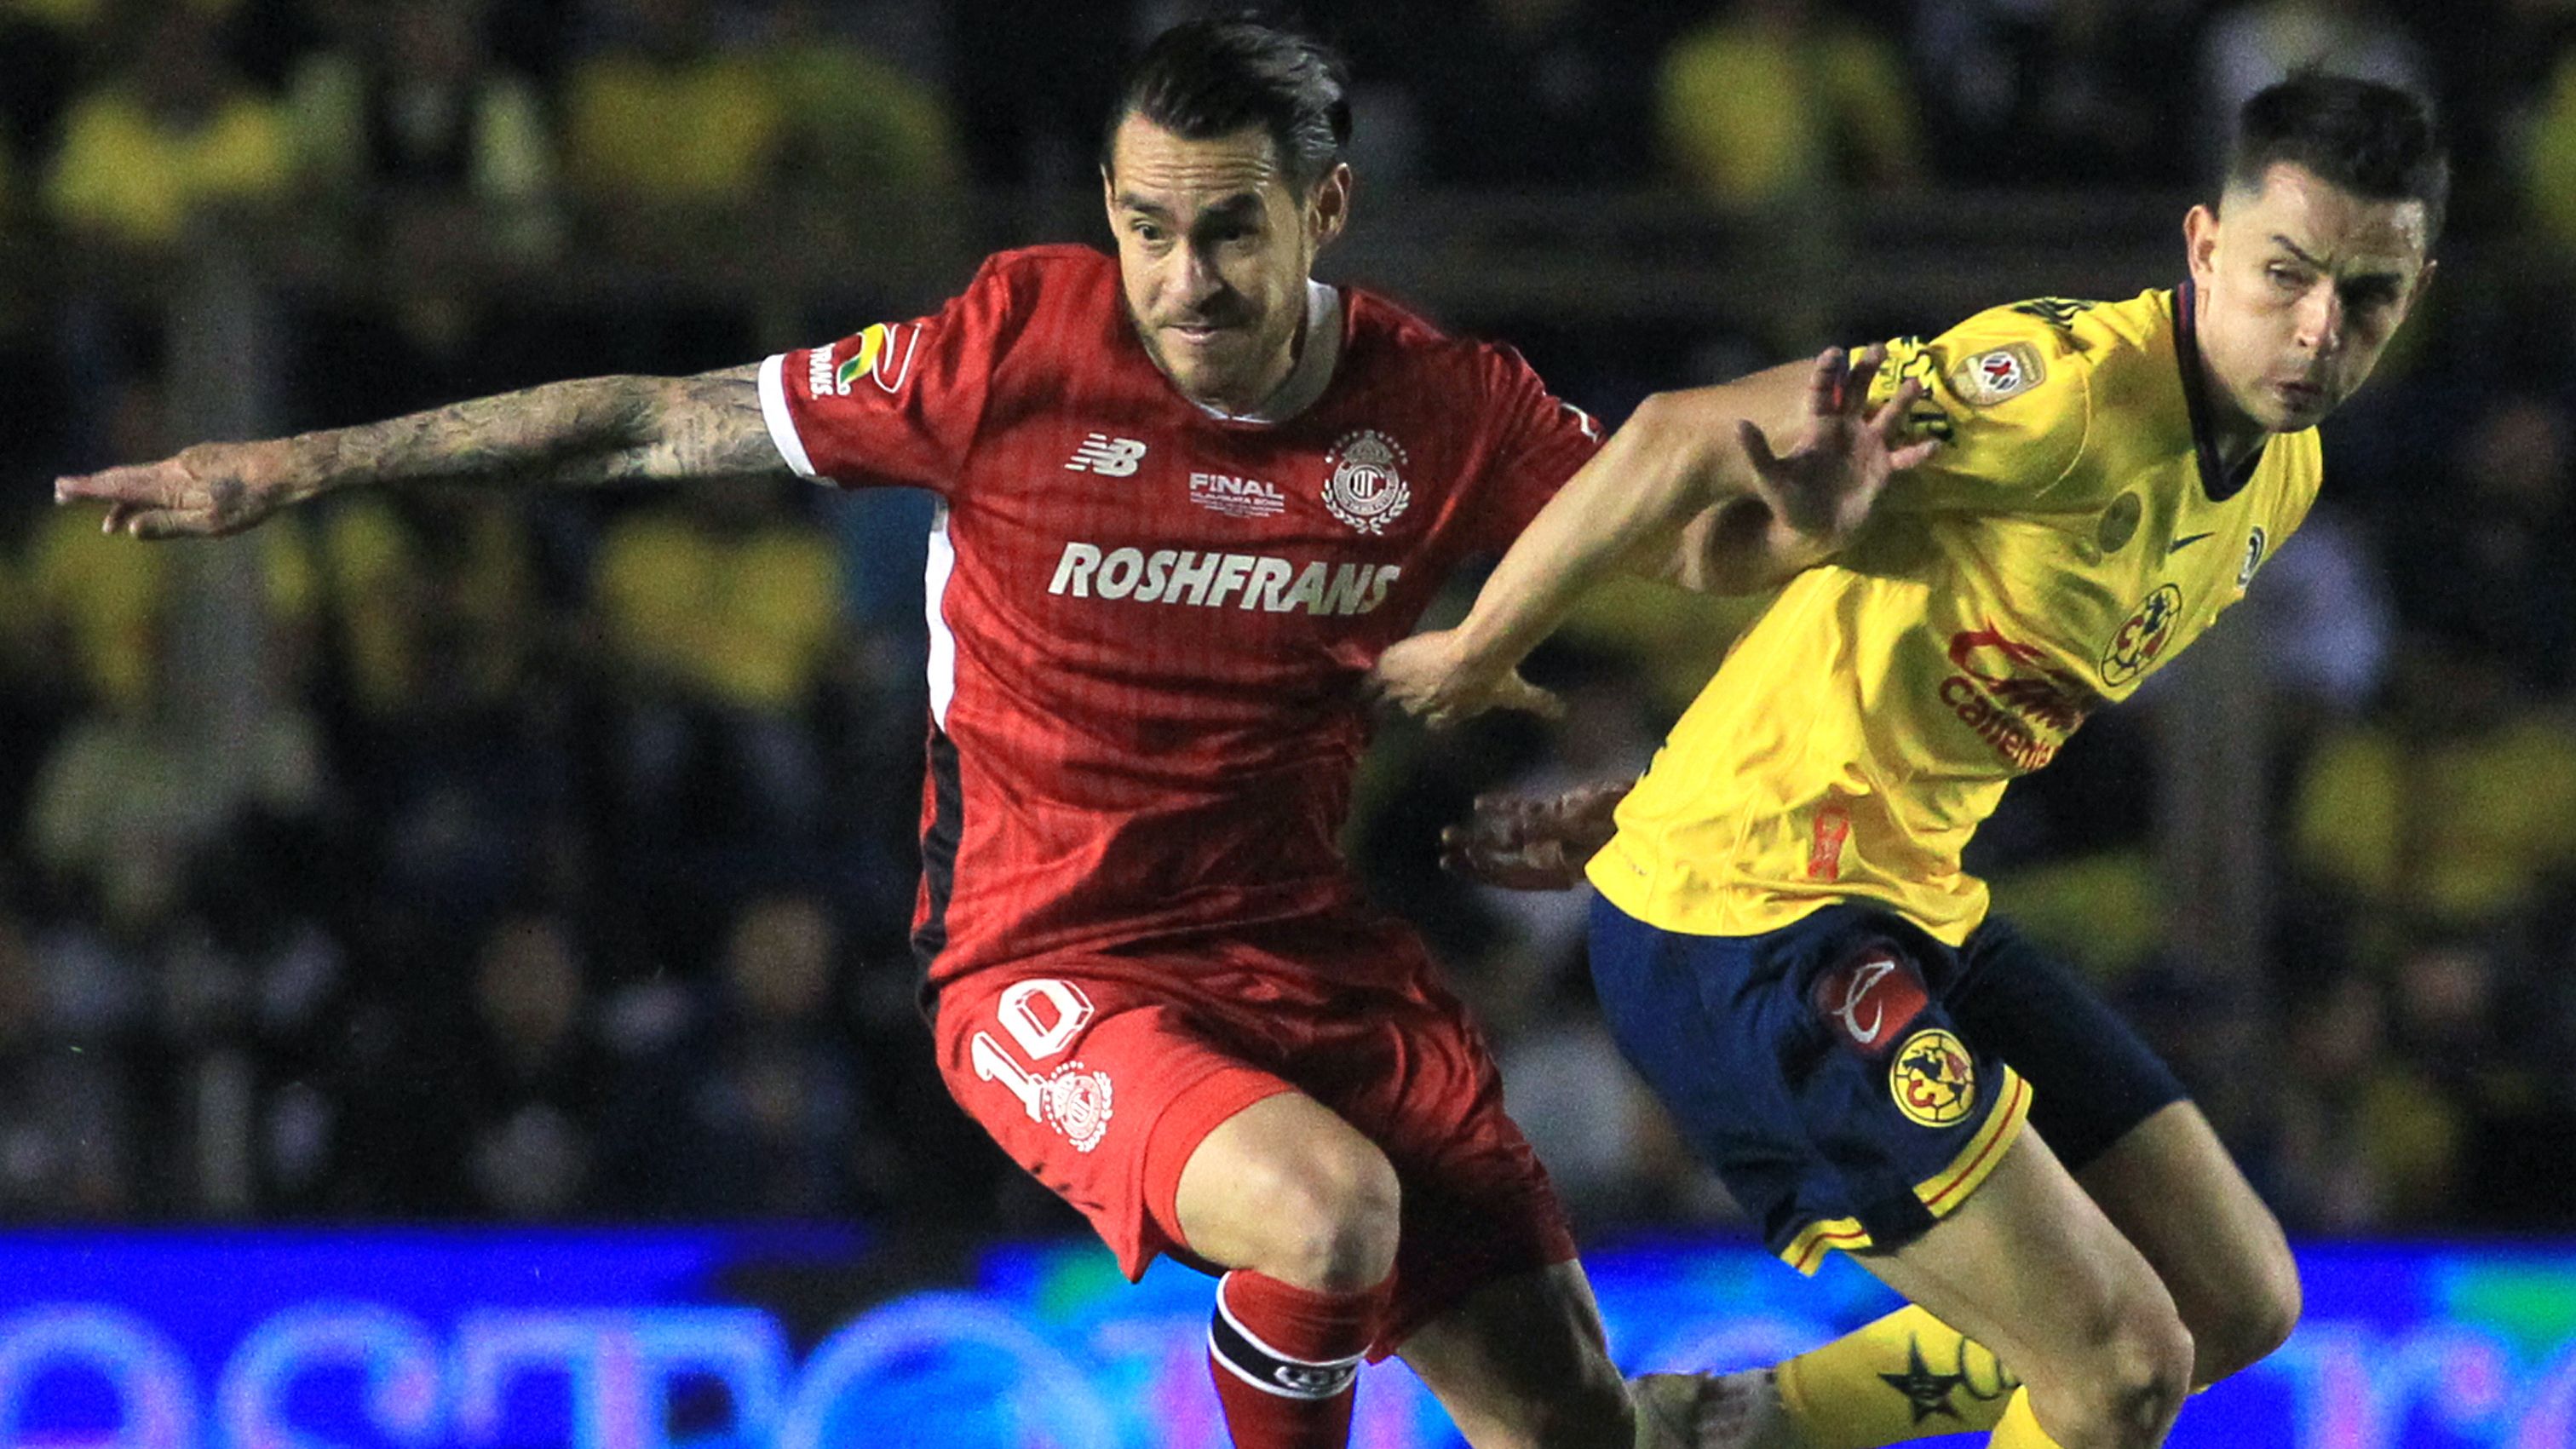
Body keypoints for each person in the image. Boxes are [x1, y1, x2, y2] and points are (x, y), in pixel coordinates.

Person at [55, 19, 1755, 1449]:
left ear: (1329, 207)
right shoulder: (1011, 348)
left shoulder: (1444, 410)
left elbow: (1710, 545)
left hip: (1312, 961)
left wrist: (1680, 772)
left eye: (1232, 231)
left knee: (1578, 1422)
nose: (1183, 281)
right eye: (1147, 229)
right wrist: (292, 465)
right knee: (1327, 1214)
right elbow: (649, 424)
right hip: (1053, 962)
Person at [1371, 73, 2445, 1449]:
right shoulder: (2059, 393)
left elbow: (1906, 648)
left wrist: (1662, 788)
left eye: (2367, 295)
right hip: (1748, 920)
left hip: (1901, 894)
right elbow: (1675, 434)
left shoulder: (2281, 474)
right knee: (2122, 1366)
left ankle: (1732, 1426)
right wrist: (1480, 645)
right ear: (2204, 244)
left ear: (2414, 294)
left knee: (2235, 1299)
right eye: (2286, 273)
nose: (2318, 329)